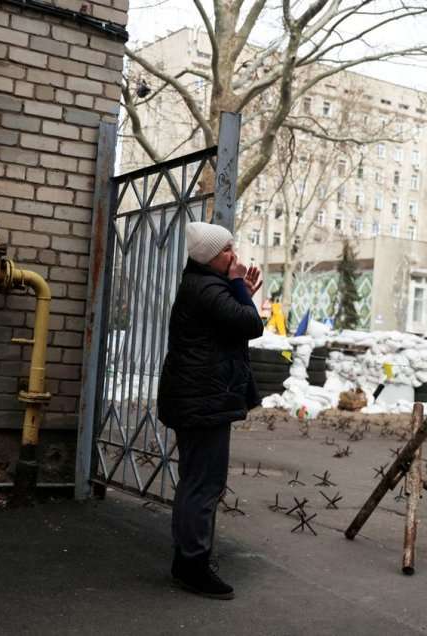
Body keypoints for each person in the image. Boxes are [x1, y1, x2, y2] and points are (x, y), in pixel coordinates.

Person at [156, 221, 264, 600]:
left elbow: (232, 328)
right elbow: (252, 325)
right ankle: (192, 566)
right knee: (204, 484)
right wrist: (239, 288)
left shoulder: (203, 286)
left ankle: (188, 560)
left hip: (200, 399)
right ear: (208, 257)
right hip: (203, 402)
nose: (234, 256)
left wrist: (239, 290)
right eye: (226, 250)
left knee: (196, 481)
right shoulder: (206, 287)